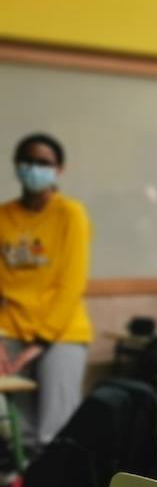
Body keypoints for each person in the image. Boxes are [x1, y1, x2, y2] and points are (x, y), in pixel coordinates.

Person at [0, 133, 91, 454]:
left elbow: (71, 283)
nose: (34, 168)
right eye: (27, 161)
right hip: (11, 332)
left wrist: (41, 341)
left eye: (44, 163)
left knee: (54, 431)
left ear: (59, 170)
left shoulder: (70, 214)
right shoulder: (3, 216)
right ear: (16, 166)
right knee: (17, 433)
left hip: (61, 332)